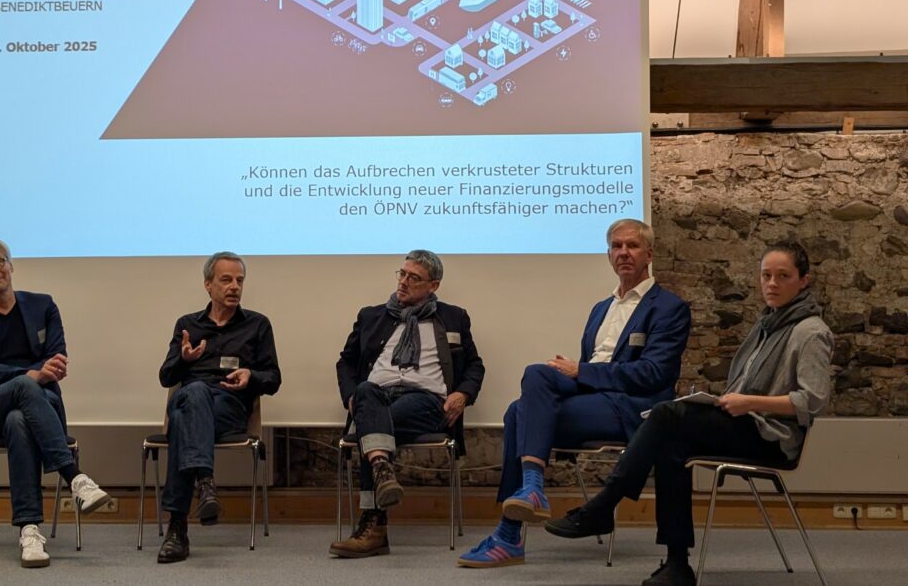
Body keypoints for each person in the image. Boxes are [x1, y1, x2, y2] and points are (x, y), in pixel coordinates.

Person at [543, 240, 834, 586]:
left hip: (773, 437)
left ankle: (604, 505)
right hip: (746, 422)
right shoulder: (767, 325)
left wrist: (748, 402)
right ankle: (677, 564)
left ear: (803, 280)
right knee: (671, 445)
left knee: (666, 415)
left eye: (783, 276)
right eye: (766, 275)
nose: (771, 284)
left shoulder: (810, 331)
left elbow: (812, 401)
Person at [459, 218, 691, 568]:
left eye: (632, 246)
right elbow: (591, 366)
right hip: (595, 396)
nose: (623, 253)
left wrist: (581, 371)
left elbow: (653, 374)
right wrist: (579, 372)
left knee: (518, 414)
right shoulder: (601, 308)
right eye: (616, 246)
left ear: (649, 254)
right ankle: (531, 491)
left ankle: (509, 533)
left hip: (633, 408)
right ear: (608, 255)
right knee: (535, 377)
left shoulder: (669, 308)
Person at [0, 238, 112, 569]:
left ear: (10, 264)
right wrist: (30, 375)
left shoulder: (42, 305)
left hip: (34, 407)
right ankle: (74, 477)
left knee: (18, 419)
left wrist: (6, 379)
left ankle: (29, 531)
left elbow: (56, 358)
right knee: (23, 386)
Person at [330, 249, 485, 558]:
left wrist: (463, 394)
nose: (403, 282)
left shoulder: (453, 317)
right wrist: (350, 396)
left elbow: (474, 365)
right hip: (375, 395)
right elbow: (346, 362)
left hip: (425, 401)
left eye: (413, 278)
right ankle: (382, 468)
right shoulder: (372, 316)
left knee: (371, 427)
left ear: (433, 285)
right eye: (401, 274)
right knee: (366, 391)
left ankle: (373, 526)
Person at [155, 251, 281, 564]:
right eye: (226, 280)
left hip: (229, 407)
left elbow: (273, 379)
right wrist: (184, 360)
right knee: (194, 394)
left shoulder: (257, 325)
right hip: (189, 399)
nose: (234, 286)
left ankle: (178, 528)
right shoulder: (187, 325)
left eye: (239, 280)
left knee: (183, 420)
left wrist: (251, 375)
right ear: (208, 285)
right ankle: (205, 484)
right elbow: (166, 377)